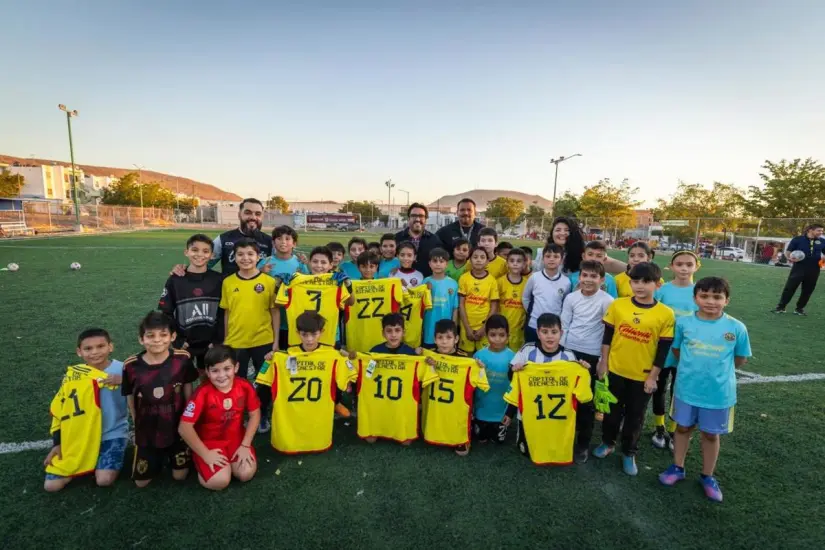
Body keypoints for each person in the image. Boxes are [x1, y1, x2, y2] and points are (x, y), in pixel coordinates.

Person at [659, 277, 751, 502]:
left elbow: (739, 359)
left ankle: (707, 476)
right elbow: (678, 350)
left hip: (718, 393)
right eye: (704, 296)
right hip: (686, 389)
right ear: (695, 298)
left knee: (710, 434)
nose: (711, 301)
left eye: (717, 297)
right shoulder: (684, 324)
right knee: (682, 428)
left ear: (726, 300)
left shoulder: (736, 328)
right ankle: (677, 467)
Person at [594, 262, 675, 476]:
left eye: (646, 282)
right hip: (616, 371)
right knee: (611, 413)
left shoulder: (665, 314)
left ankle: (629, 452)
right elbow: (607, 336)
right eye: (635, 281)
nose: (640, 286)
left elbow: (663, 349)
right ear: (630, 283)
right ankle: (608, 442)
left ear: (657, 284)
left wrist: (653, 377)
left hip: (642, 376)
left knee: (635, 417)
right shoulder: (618, 305)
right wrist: (604, 362)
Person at [256, 312, 358, 453]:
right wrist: (267, 360)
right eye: (304, 335)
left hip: (318, 412)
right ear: (298, 333)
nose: (309, 339)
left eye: (314, 334)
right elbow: (263, 375)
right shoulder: (286, 355)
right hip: (294, 411)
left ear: (321, 332)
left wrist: (347, 359)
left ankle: (336, 404)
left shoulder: (331, 354)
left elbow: (351, 373)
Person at [43, 329, 128, 492]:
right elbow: (61, 410)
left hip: (112, 433)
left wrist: (125, 381)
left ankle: (95, 460)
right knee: (51, 486)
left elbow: (144, 389)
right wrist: (58, 443)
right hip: (80, 435)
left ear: (110, 347)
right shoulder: (74, 375)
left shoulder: (124, 369)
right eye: (88, 349)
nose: (95, 352)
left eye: (101, 346)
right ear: (79, 352)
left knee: (104, 480)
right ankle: (84, 460)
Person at [122, 312, 198, 487]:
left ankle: (173, 452)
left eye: (163, 335)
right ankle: (154, 454)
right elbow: (130, 395)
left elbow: (187, 385)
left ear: (172, 336)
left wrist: (188, 416)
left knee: (180, 476)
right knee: (141, 483)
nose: (157, 340)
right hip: (147, 429)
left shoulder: (182, 359)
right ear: (141, 339)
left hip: (176, 426)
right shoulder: (131, 365)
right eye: (150, 336)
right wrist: (135, 421)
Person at [507, 314, 592, 465]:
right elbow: (511, 376)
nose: (549, 336)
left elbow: (580, 389)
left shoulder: (568, 356)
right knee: (526, 451)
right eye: (545, 332)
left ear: (561, 333)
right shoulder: (527, 350)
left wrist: (584, 370)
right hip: (530, 411)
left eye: (554, 332)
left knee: (555, 445)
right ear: (538, 333)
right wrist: (515, 369)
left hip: (557, 414)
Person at [178, 345, 260, 490]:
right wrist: (205, 453)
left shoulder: (245, 386)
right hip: (210, 443)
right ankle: (197, 457)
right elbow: (184, 427)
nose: (222, 375)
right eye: (215, 370)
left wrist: (245, 445)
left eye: (227, 369)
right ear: (208, 372)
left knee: (245, 474)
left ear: (236, 367)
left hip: (235, 439)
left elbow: (254, 413)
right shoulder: (202, 393)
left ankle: (229, 463)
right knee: (219, 482)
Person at [560, 260, 614, 463]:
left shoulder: (607, 301)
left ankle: (582, 443)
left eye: (593, 276)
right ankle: (564, 436)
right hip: (570, 352)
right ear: (579, 277)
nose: (588, 280)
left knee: (586, 402)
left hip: (591, 355)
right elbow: (564, 324)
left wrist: (602, 360)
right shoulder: (571, 298)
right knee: (566, 397)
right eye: (585, 275)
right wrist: (562, 353)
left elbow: (608, 334)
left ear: (602, 279)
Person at [651, 250, 700, 450]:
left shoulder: (699, 291)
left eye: (689, 264)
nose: (684, 268)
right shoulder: (663, 290)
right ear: (671, 267)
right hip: (663, 349)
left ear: (696, 267)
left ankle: (674, 429)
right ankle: (659, 427)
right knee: (659, 387)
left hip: (687, 351)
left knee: (679, 391)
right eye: (679, 264)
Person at [420, 322, 489, 456]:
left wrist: (480, 368)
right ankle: (435, 432)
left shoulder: (465, 360)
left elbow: (479, 381)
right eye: (440, 338)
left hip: (456, 404)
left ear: (456, 339)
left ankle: (461, 438)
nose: (444, 342)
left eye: (448, 337)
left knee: (462, 451)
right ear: (434, 339)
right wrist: (420, 355)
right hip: (436, 403)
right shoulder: (428, 356)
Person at [159, 234, 224, 373]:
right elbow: (166, 313)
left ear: (212, 255)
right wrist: (176, 339)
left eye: (205, 251)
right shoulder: (175, 280)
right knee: (181, 378)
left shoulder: (219, 280)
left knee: (206, 376)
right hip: (185, 342)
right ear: (186, 252)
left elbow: (224, 312)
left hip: (210, 342)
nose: (200, 254)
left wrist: (218, 338)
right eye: (195, 250)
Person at [276, 246, 353, 349]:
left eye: (323, 262)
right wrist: (279, 287)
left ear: (331, 265)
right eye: (315, 262)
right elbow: (278, 303)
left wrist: (348, 285)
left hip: (329, 337)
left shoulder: (336, 282)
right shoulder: (295, 281)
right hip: (302, 337)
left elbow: (351, 302)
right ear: (309, 263)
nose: (319, 265)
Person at [172, 198, 272, 277]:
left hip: (260, 294)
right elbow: (203, 262)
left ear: (262, 217)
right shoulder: (223, 239)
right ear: (239, 215)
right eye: (248, 213)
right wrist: (184, 269)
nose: (253, 217)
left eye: (258, 214)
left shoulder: (270, 241)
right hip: (229, 295)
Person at [257, 225, 310, 350]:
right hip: (270, 319)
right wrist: (261, 272)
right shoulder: (266, 262)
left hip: (293, 318)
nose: (283, 242)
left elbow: (308, 285)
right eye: (279, 238)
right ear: (273, 242)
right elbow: (255, 283)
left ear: (294, 243)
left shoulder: (300, 263)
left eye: (287, 239)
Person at [344, 252, 404, 353]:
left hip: (379, 331)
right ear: (358, 268)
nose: (368, 270)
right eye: (364, 266)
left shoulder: (388, 284)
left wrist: (400, 285)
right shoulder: (350, 286)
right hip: (359, 330)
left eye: (371, 266)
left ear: (376, 267)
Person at [473, 315, 516, 444]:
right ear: (486, 335)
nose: (497, 339)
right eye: (493, 335)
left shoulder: (513, 358)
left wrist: (510, 413)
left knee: (498, 441)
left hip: (501, 412)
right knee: (481, 439)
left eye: (502, 335)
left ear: (508, 336)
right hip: (481, 409)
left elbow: (516, 387)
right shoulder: (479, 356)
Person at [522, 243, 570, 344]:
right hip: (534, 325)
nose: (551, 259)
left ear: (561, 260)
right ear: (543, 259)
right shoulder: (534, 277)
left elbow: (565, 303)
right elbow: (525, 298)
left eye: (556, 256)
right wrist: (532, 313)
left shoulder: (566, 282)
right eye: (548, 256)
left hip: (553, 328)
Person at [773, 224, 825, 315]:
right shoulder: (798, 239)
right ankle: (781, 307)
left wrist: (823, 261)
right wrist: (789, 258)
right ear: (810, 230)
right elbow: (788, 252)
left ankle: (799, 309)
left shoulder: (822, 241)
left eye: (822, 231)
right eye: (819, 230)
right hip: (799, 267)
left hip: (814, 269)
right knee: (790, 288)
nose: (821, 232)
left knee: (808, 290)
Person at [547, 217, 626, 275]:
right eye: (558, 230)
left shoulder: (583, 251)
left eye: (567, 230)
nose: (562, 233)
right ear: (552, 233)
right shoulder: (544, 253)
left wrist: (632, 268)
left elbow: (610, 263)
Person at [458, 246, 500, 353]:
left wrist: (484, 328)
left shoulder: (492, 281)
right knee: (466, 356)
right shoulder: (464, 278)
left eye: (482, 257)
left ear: (487, 262)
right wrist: (467, 328)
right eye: (475, 257)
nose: (478, 260)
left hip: (484, 326)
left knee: (484, 357)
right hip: (466, 324)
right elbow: (461, 304)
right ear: (470, 260)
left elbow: (494, 307)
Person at [394, 203, 445, 277]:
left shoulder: (434, 240)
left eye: (421, 216)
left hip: (426, 283)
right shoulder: (397, 238)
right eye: (414, 216)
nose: (417, 219)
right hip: (401, 283)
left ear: (426, 220)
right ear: (408, 219)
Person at [422, 248, 459, 350]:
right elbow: (420, 307)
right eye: (434, 261)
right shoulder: (425, 282)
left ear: (446, 264)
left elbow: (455, 308)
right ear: (429, 263)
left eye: (441, 261)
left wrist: (454, 328)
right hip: (429, 330)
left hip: (446, 333)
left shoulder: (453, 284)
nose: (438, 264)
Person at [497, 248, 528, 351]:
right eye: (512, 260)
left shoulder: (527, 283)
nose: (515, 264)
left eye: (519, 261)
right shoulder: (500, 282)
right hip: (500, 328)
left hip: (518, 330)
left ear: (524, 264)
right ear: (507, 263)